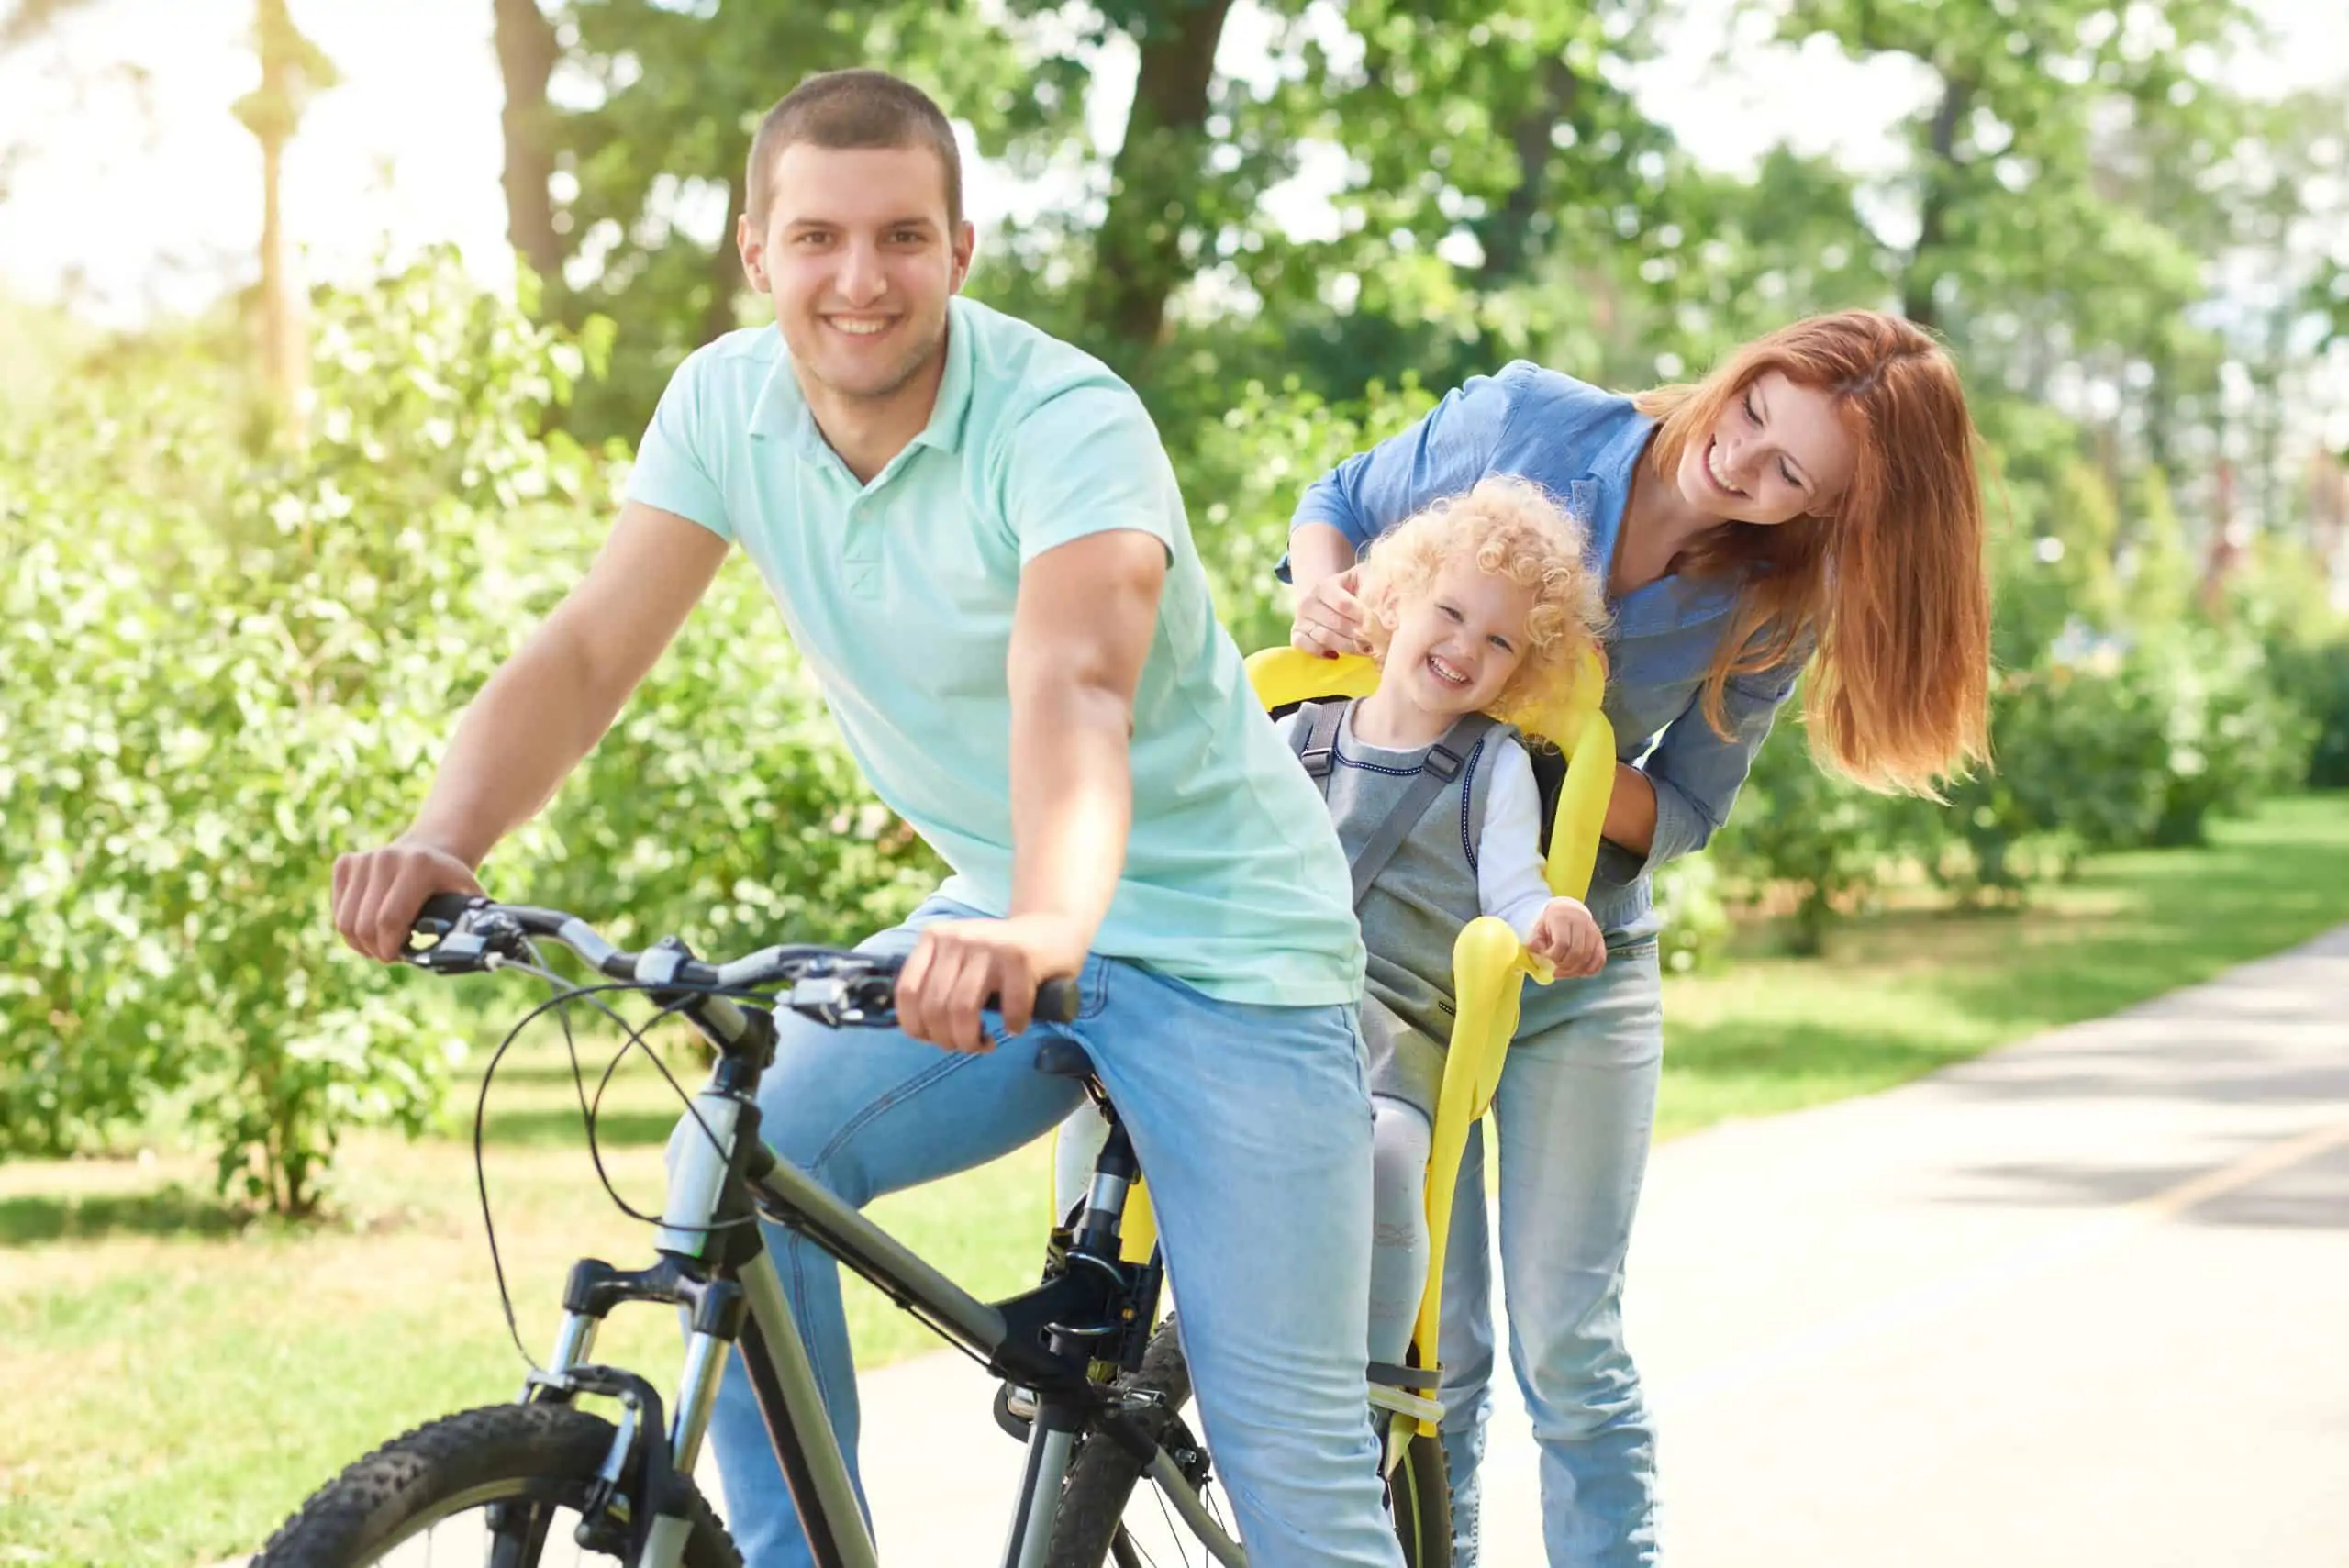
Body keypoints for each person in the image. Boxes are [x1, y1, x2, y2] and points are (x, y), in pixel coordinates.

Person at [330, 67, 1407, 1568]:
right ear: (757, 251)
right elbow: (586, 652)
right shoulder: (726, 403)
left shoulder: (1066, 417)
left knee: (1293, 1470)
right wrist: (447, 837)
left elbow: (1077, 683)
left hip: (1229, 951)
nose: (859, 277)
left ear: (959, 251)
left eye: (902, 236)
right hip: (1007, 912)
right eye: (818, 237)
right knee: (735, 1161)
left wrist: (1042, 918)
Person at [1283, 312, 1993, 1566]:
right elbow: (1337, 497)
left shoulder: (1776, 599)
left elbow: (1690, 806)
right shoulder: (1527, 421)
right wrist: (1327, 591)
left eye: (1794, 480)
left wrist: (1530, 735)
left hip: (1578, 966)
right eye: (1759, 413)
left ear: (1829, 515)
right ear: (1760, 360)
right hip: (1403, 973)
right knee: (1427, 1347)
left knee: (1573, 1345)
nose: (1747, 465)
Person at [1269, 475, 1611, 1389]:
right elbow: (1217, 851)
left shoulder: (1492, 766)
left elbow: (1512, 890)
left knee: (1384, 1153)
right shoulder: (1295, 735)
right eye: (1449, 612)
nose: (1465, 646)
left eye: (1499, 641)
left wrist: (1550, 919)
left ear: (1519, 672)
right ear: (1393, 598)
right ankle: (1087, 1279)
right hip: (1268, 1001)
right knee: (1103, 1071)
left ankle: (1374, 1375)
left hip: (1395, 1029)